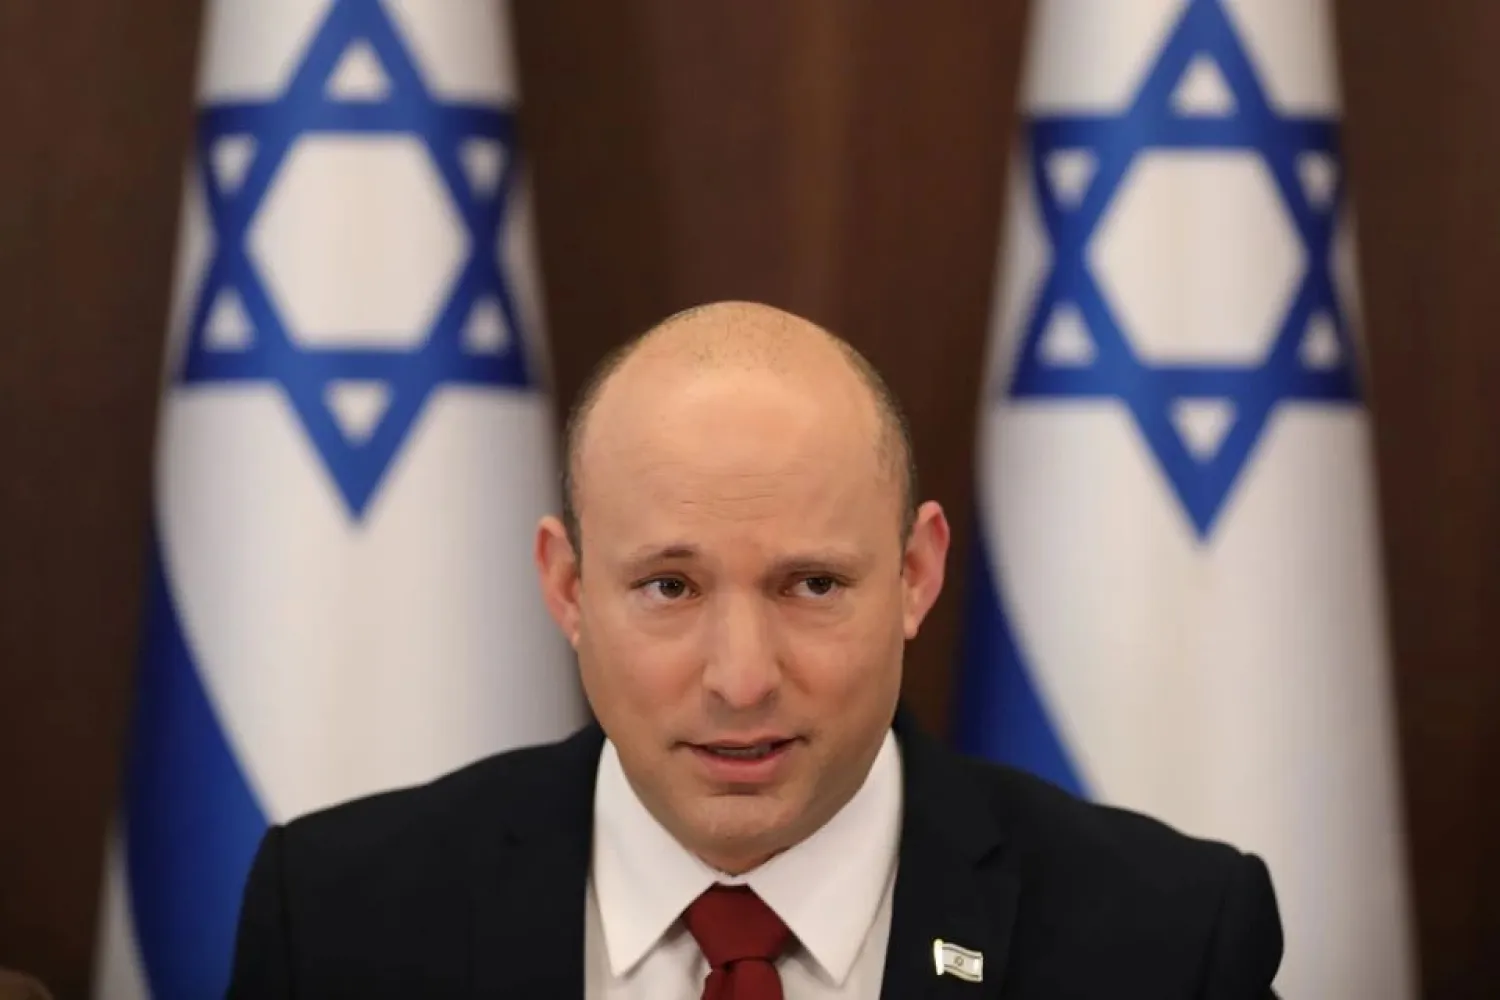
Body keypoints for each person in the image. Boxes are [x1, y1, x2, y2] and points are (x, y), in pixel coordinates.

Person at [227, 301, 1283, 999]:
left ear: (916, 574)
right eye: (669, 588)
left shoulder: (1170, 940)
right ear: (567, 587)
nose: (740, 679)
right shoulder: (334, 918)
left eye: (812, 584)